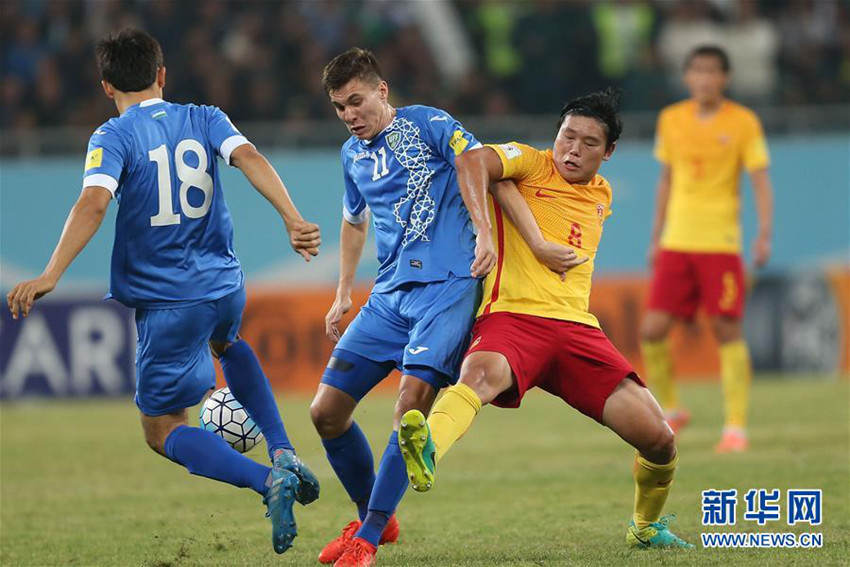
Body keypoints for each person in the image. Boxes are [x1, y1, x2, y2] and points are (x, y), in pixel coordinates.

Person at [5, 29, 322, 555]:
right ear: (162, 75)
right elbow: (250, 159)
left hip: (170, 302)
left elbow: (93, 204)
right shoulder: (205, 116)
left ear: (107, 86)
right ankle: (284, 450)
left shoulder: (112, 136)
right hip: (226, 286)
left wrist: (51, 273)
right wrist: (291, 217)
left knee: (161, 429)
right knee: (230, 344)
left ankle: (269, 481)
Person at [398, 88, 693, 550]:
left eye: (588, 143)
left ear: (609, 152)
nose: (572, 149)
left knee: (660, 440)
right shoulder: (531, 162)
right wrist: (510, 236)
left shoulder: (602, 193)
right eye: (566, 136)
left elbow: (502, 185)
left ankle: (646, 525)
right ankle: (427, 445)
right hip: (513, 318)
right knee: (480, 374)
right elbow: (475, 163)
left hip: (577, 329)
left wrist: (509, 198)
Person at [310, 47, 570, 567]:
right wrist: (343, 291)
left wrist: (481, 232)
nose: (349, 116)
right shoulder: (351, 156)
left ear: (381, 91)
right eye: (340, 108)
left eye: (356, 102)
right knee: (326, 412)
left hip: (447, 288)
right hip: (386, 297)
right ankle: (374, 517)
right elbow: (354, 219)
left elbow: (474, 160)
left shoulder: (426, 122)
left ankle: (367, 537)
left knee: (410, 408)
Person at [640, 45, 774, 453]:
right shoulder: (671, 119)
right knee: (652, 331)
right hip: (677, 241)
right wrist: (656, 235)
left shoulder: (743, 122)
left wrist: (764, 232)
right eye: (697, 70)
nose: (705, 78)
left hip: (719, 242)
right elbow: (665, 179)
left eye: (713, 71)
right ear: (687, 77)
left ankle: (736, 427)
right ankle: (674, 408)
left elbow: (759, 178)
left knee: (726, 329)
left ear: (725, 78)